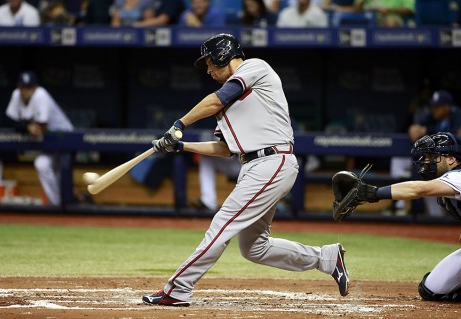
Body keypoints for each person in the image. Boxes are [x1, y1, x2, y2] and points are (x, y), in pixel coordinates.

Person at [142, 33, 349, 307]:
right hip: (256, 166)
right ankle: (326, 258)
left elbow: (216, 99)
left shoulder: (254, 67)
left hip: (272, 162)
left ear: (223, 55)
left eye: (209, 62)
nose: (207, 69)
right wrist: (182, 148)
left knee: (222, 224)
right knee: (254, 248)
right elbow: (225, 149)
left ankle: (178, 288)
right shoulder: (228, 105)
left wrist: (180, 124)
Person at [334, 132, 461, 301]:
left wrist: (374, 193)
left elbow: (418, 189)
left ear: (451, 159)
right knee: (430, 289)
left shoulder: (458, 176)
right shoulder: (447, 186)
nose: (427, 161)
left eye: (433, 157)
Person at [5, 71, 74, 206]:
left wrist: (28, 126)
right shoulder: (16, 95)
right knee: (42, 164)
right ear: (19, 87)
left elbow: (41, 125)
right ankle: (56, 204)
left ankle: (65, 205)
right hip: (48, 143)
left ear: (35, 87)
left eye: (29, 87)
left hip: (63, 137)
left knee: (60, 172)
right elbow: (10, 120)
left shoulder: (41, 94)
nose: (26, 91)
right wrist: (27, 126)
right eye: (23, 87)